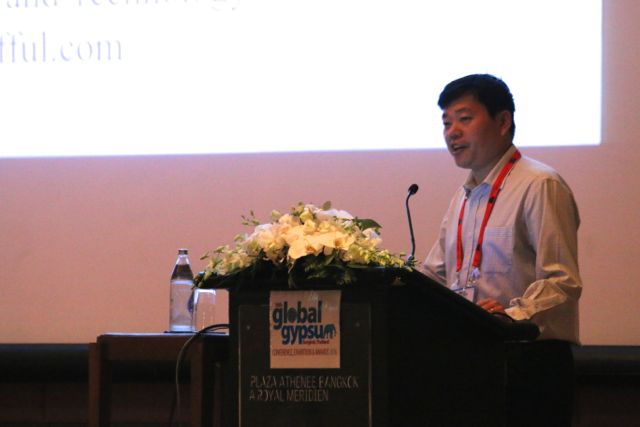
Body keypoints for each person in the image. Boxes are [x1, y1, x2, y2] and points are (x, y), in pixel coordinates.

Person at [422, 74, 582, 425]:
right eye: (446, 123)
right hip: (471, 360)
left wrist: (510, 317)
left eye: (464, 119)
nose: (452, 133)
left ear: (503, 121)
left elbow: (562, 282)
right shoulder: (463, 196)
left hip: (530, 363)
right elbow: (434, 275)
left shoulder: (540, 184)